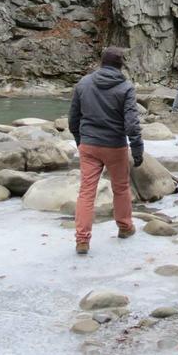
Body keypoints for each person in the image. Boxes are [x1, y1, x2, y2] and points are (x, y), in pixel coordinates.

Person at [68, 47, 144, 255]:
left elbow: (73, 118)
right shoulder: (126, 87)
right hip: (115, 146)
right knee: (120, 188)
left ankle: (82, 240)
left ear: (102, 62)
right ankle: (125, 227)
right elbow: (131, 124)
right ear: (121, 65)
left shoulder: (84, 83)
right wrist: (137, 149)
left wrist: (79, 141)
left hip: (89, 145)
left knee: (86, 192)